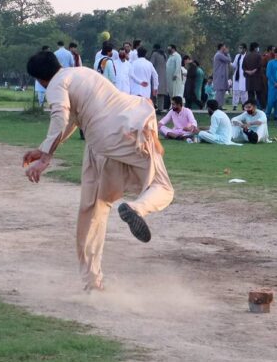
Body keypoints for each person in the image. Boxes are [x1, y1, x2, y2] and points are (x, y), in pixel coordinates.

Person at [22, 51, 174, 291]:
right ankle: (137, 208)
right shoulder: (82, 73)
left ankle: (93, 281)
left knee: (93, 210)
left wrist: (46, 158)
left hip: (100, 145)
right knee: (161, 187)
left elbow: (61, 117)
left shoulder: (55, 85)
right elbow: (71, 121)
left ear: (40, 80)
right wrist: (44, 150)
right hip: (129, 129)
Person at [266, 48, 277, 121]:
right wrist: (274, 83)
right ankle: (267, 114)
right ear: (275, 54)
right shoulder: (270, 62)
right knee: (270, 101)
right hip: (272, 85)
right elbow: (268, 74)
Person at [244, 42, 263, 108]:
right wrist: (254, 71)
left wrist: (248, 71)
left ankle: (251, 107)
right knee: (259, 94)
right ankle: (260, 107)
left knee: (250, 94)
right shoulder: (258, 55)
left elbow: (243, 67)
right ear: (255, 48)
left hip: (249, 78)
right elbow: (260, 65)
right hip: (257, 78)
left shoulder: (246, 56)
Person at [150, 44, 168, 110]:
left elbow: (151, 64)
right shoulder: (164, 55)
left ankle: (152, 107)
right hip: (163, 76)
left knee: (153, 92)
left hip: (156, 75)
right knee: (161, 94)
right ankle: (160, 108)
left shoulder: (154, 54)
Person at [231, 43, 248, 110]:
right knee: (236, 92)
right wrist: (229, 62)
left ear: (245, 49)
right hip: (237, 76)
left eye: (241, 48)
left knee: (244, 92)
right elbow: (234, 66)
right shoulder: (237, 56)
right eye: (239, 48)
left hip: (244, 76)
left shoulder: (247, 56)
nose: (240, 49)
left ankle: (244, 105)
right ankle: (234, 106)